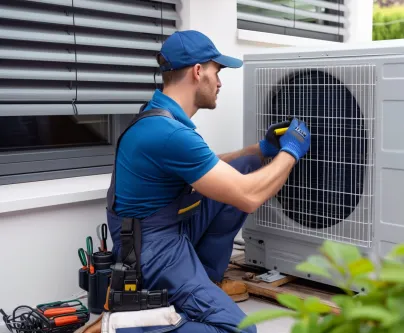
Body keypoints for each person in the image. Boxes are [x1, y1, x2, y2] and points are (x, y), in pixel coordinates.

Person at [105, 30, 311, 333]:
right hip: (153, 252)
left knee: (247, 165)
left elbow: (208, 166)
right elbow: (248, 196)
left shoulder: (160, 118)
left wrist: (260, 150)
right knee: (242, 330)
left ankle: (206, 281)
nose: (220, 82)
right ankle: (137, 326)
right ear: (198, 72)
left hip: (162, 228)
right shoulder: (169, 134)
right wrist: (291, 152)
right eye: (217, 71)